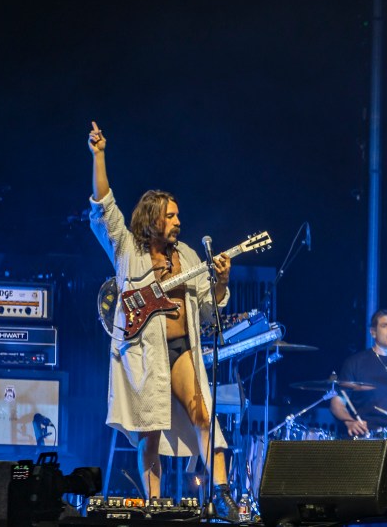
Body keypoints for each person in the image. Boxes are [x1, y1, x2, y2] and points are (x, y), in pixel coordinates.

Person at [87, 122, 237, 518]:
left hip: (181, 348)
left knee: (203, 412)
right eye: (170, 216)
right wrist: (99, 155)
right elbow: (104, 207)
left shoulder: (188, 256)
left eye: (178, 216)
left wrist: (220, 282)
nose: (177, 222)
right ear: (153, 218)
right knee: (150, 431)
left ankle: (222, 495)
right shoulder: (127, 249)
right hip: (143, 353)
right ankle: (153, 506)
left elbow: (208, 307)